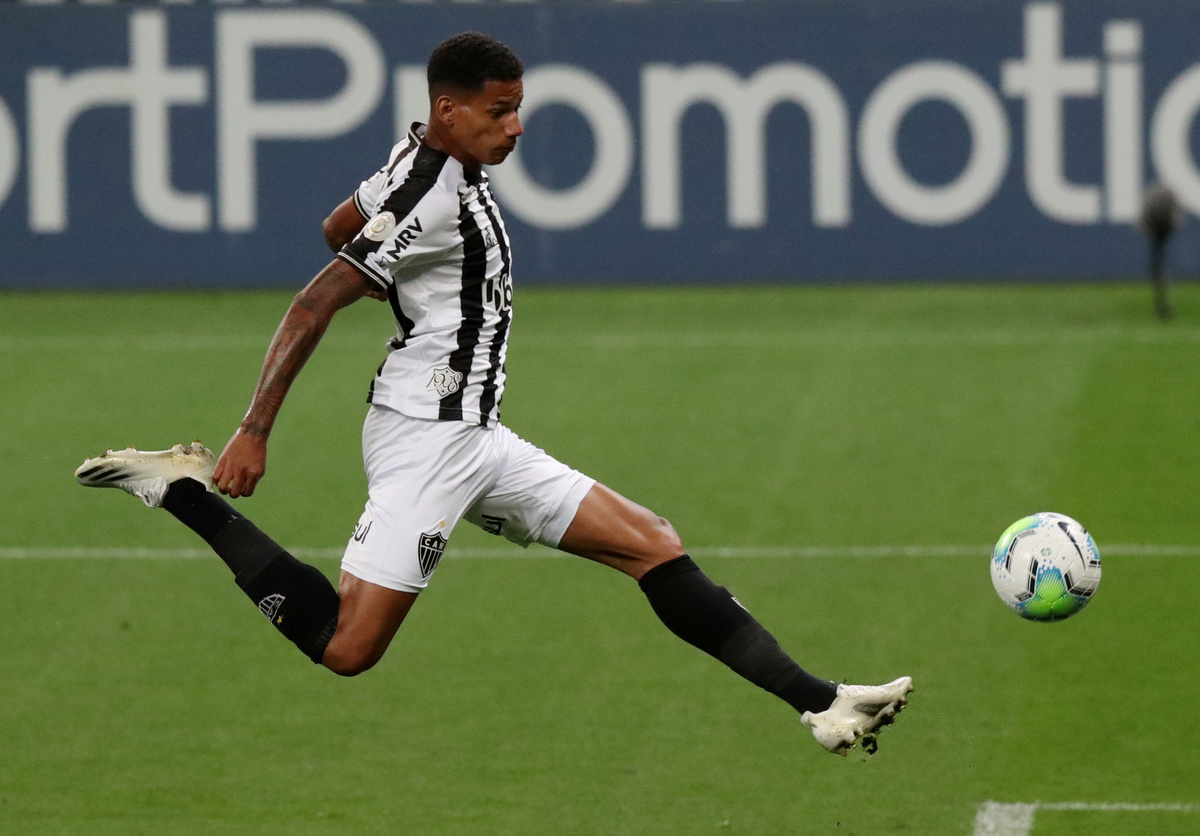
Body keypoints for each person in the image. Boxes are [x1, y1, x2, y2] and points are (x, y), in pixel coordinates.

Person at [75, 32, 911, 756]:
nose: (515, 126)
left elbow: (340, 229)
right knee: (348, 647)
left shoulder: (422, 162)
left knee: (651, 543)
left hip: (474, 434)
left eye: (518, 109)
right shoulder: (431, 193)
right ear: (449, 109)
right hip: (427, 438)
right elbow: (313, 300)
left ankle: (822, 702)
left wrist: (389, 259)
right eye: (499, 111)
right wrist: (254, 429)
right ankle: (184, 491)